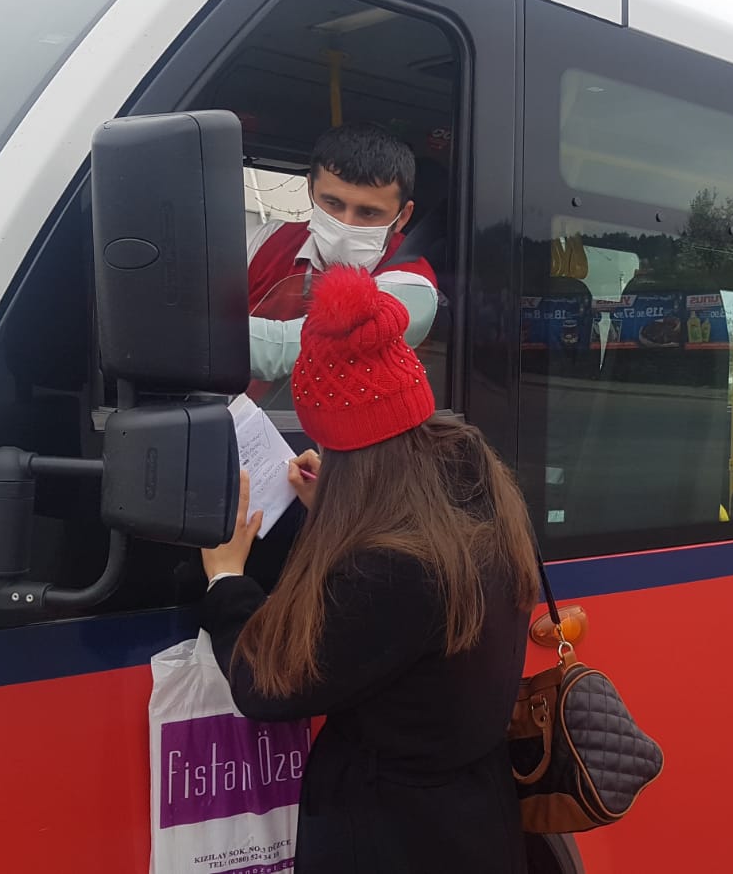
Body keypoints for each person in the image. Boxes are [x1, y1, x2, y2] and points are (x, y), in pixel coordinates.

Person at [201, 265, 537, 873]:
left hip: (396, 838)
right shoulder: (477, 484)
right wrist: (331, 505)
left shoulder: (391, 570)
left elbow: (266, 683)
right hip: (478, 819)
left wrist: (227, 578)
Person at [247, 122, 439, 385]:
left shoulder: (412, 286)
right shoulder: (266, 240)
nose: (346, 223)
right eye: (333, 203)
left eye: (368, 212)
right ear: (310, 190)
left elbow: (284, 350)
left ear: (402, 216)